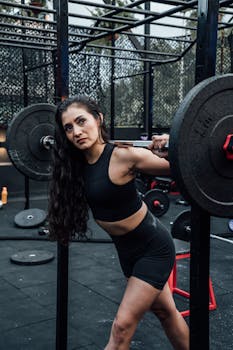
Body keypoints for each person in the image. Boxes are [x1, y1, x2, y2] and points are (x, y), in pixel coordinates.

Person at [48, 95, 189, 350]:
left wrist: (174, 143)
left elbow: (184, 167)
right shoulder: (75, 165)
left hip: (153, 248)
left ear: (98, 118)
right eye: (68, 128)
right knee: (166, 313)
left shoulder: (125, 156)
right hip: (127, 252)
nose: (76, 132)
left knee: (121, 327)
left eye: (81, 121)